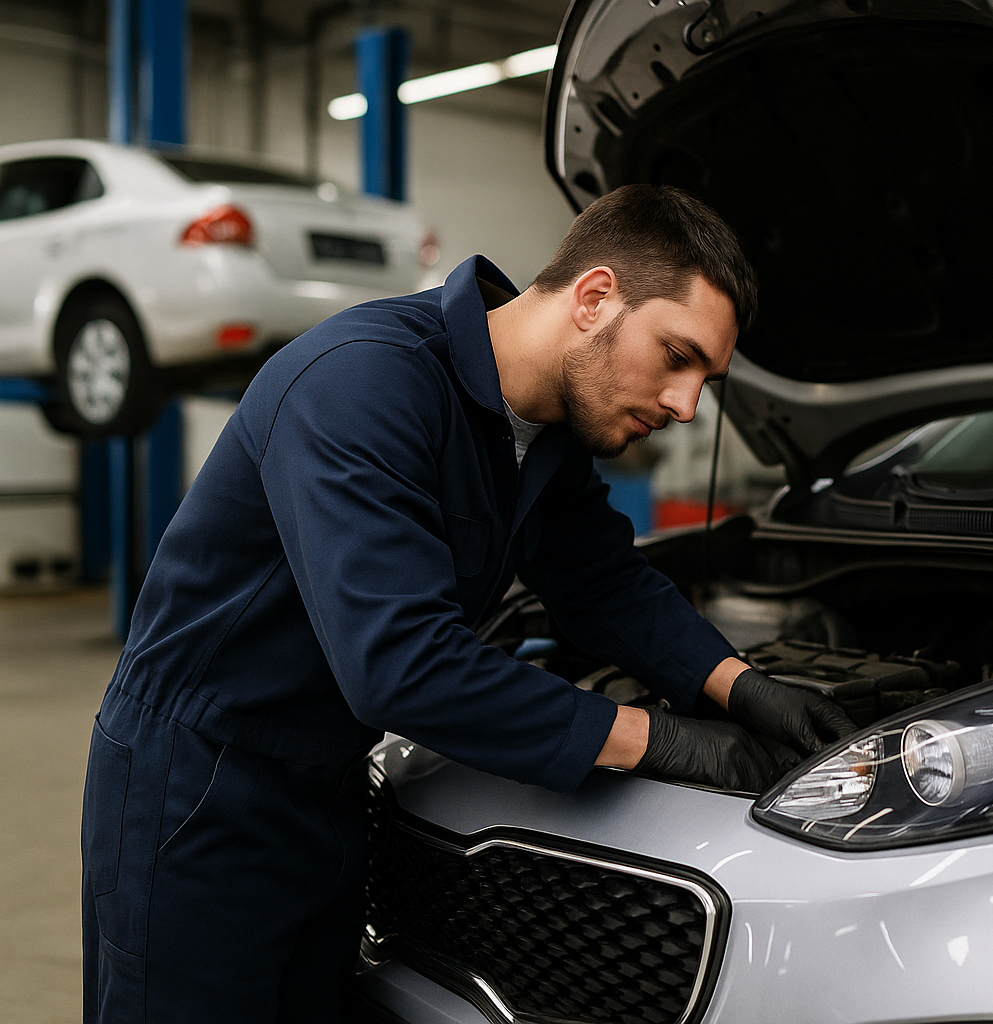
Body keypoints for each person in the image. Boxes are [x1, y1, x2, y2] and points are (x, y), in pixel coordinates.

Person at [80, 184, 855, 1023]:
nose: (686, 404)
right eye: (677, 355)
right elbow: (401, 667)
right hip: (198, 784)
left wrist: (741, 687)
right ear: (595, 298)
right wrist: (658, 740)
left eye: (705, 377)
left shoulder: (544, 434)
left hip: (330, 783)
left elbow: (605, 583)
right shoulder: (361, 384)